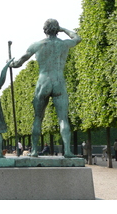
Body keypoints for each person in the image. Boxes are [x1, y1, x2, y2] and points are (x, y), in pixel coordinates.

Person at [10, 19, 81, 158]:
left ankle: (35, 151)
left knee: (38, 118)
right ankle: (67, 151)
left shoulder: (37, 45)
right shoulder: (64, 44)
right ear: (56, 29)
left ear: (44, 30)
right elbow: (77, 38)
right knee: (63, 119)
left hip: (43, 81)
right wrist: (64, 29)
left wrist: (10, 63)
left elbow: (19, 62)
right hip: (59, 81)